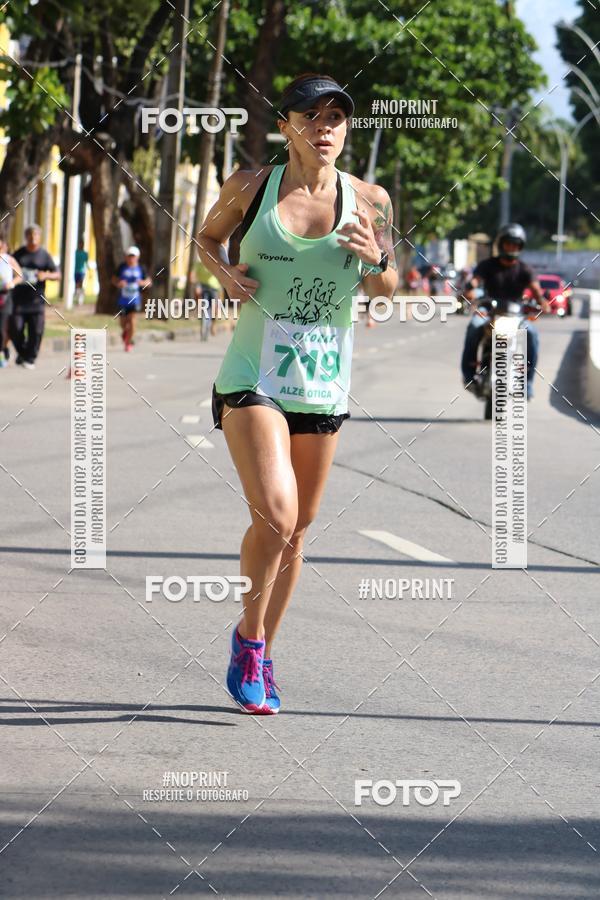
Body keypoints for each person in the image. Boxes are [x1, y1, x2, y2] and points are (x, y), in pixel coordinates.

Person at [196, 72, 398, 714]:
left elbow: (387, 289)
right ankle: (251, 640)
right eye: (312, 116)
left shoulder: (370, 200)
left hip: (322, 381)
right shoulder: (250, 187)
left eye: (336, 117)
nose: (325, 128)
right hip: (252, 376)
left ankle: (258, 650)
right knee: (277, 515)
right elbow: (205, 238)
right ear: (286, 125)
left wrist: (375, 258)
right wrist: (224, 274)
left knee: (300, 527)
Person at [461, 223, 549, 399]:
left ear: (520, 247)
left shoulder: (525, 269)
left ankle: (527, 383)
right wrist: (470, 288)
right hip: (489, 310)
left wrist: (542, 302)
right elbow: (476, 280)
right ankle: (469, 375)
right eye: (508, 243)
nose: (511, 247)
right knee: (474, 326)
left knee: (532, 334)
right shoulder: (487, 265)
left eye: (515, 244)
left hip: (516, 314)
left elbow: (536, 290)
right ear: (501, 244)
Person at [10, 224, 60, 369]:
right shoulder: (18, 254)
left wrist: (46, 275)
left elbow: (58, 275)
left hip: (37, 300)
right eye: (30, 235)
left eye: (36, 235)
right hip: (19, 300)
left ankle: (30, 358)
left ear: (39, 237)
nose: (33, 238)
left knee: (36, 331)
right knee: (15, 329)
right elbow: (8, 269)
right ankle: (22, 353)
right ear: (26, 237)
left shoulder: (44, 255)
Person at [112, 246, 151, 351]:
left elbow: (149, 282)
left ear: (137, 257)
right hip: (123, 300)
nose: (131, 258)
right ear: (126, 257)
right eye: (129, 256)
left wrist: (142, 283)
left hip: (135, 300)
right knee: (123, 323)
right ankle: (126, 332)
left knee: (132, 321)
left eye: (133, 256)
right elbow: (114, 279)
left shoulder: (141, 268)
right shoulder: (122, 267)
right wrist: (119, 283)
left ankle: (128, 343)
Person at [0, 233, 22, 368]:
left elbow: (19, 275)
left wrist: (11, 283)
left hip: (5, 296)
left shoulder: (9, 259)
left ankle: (2, 351)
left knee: (1, 328)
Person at [74, 241, 89, 305]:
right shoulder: (75, 253)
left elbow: (86, 262)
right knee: (77, 285)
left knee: (80, 284)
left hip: (82, 271)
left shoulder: (85, 253)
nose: (81, 245)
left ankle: (80, 299)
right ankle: (78, 298)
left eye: (82, 244)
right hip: (75, 271)